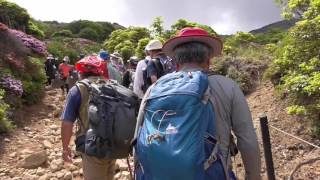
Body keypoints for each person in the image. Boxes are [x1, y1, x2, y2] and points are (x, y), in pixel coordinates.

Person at [137, 27, 261, 180]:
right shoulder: (228, 86)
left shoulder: (155, 88)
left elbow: (138, 135)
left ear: (176, 62)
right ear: (208, 60)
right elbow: (247, 139)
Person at [61, 56, 115, 180]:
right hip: (114, 143)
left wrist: (65, 148)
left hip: (93, 145)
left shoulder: (77, 90)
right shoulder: (111, 85)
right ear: (101, 71)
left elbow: (67, 123)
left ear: (81, 73)